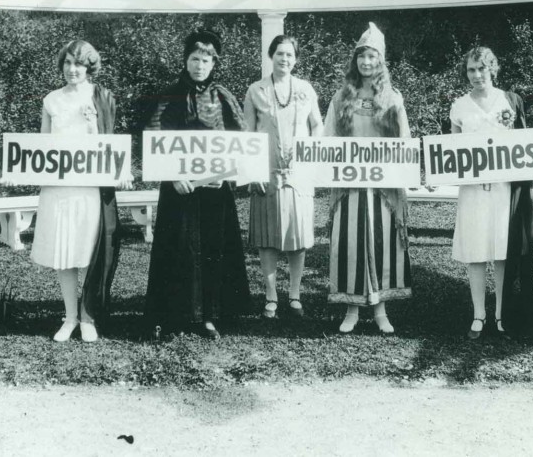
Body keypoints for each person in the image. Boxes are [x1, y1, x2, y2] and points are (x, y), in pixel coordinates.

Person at [142, 30, 251, 339]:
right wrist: (174, 176)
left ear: (213, 63)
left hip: (214, 190)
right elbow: (153, 136)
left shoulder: (223, 95)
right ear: (186, 60)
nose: (199, 65)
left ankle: (208, 317)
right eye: (194, 59)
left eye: (205, 60)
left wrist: (223, 174)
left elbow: (243, 139)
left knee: (212, 251)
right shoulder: (170, 94)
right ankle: (171, 316)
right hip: (179, 189)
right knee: (176, 249)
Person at [30, 40, 130, 343]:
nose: (72, 70)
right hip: (60, 188)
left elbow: (110, 144)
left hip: (89, 188)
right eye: (68, 63)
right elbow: (41, 147)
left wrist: (93, 127)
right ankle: (70, 316)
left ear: (89, 67)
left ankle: (88, 317)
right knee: (65, 252)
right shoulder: (51, 100)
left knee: (88, 251)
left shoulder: (102, 96)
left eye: (79, 64)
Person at [323, 23, 412, 334]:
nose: (366, 62)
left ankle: (380, 310)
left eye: (372, 57)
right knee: (351, 245)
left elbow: (404, 142)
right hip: (350, 185)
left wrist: (401, 174)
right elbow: (328, 139)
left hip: (382, 187)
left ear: (381, 61)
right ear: (355, 61)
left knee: (381, 244)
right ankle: (351, 310)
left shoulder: (393, 98)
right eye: (361, 56)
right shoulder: (341, 97)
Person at [449, 46, 533, 339]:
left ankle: (501, 313)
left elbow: (527, 145)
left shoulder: (509, 101)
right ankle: (478, 314)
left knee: (502, 252)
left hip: (503, 190)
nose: (476, 75)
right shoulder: (459, 105)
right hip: (473, 191)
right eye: (471, 70)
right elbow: (453, 152)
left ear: (493, 69)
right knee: (475, 252)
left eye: (482, 69)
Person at [243, 34, 324, 319]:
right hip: (267, 175)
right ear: (271, 55)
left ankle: (294, 293)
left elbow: (317, 126)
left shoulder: (305, 89)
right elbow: (248, 134)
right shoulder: (256, 90)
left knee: (297, 237)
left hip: (299, 175)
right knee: (268, 238)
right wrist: (252, 171)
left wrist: (311, 163)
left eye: (290, 55)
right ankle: (270, 295)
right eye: (280, 54)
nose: (285, 59)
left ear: (296, 59)